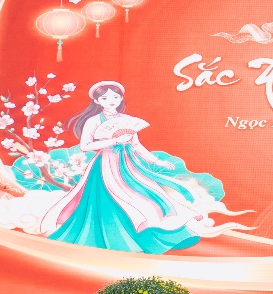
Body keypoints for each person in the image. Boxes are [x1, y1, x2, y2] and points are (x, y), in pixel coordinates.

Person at [39, 81, 238, 251]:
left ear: (121, 99)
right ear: (97, 101)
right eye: (105, 98)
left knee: (147, 195)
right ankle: (110, 239)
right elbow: (85, 146)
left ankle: (156, 237)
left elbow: (136, 145)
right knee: (112, 200)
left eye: (115, 97)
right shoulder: (93, 121)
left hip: (128, 164)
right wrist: (113, 141)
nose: (111, 101)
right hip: (105, 165)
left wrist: (156, 161)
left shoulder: (127, 121)